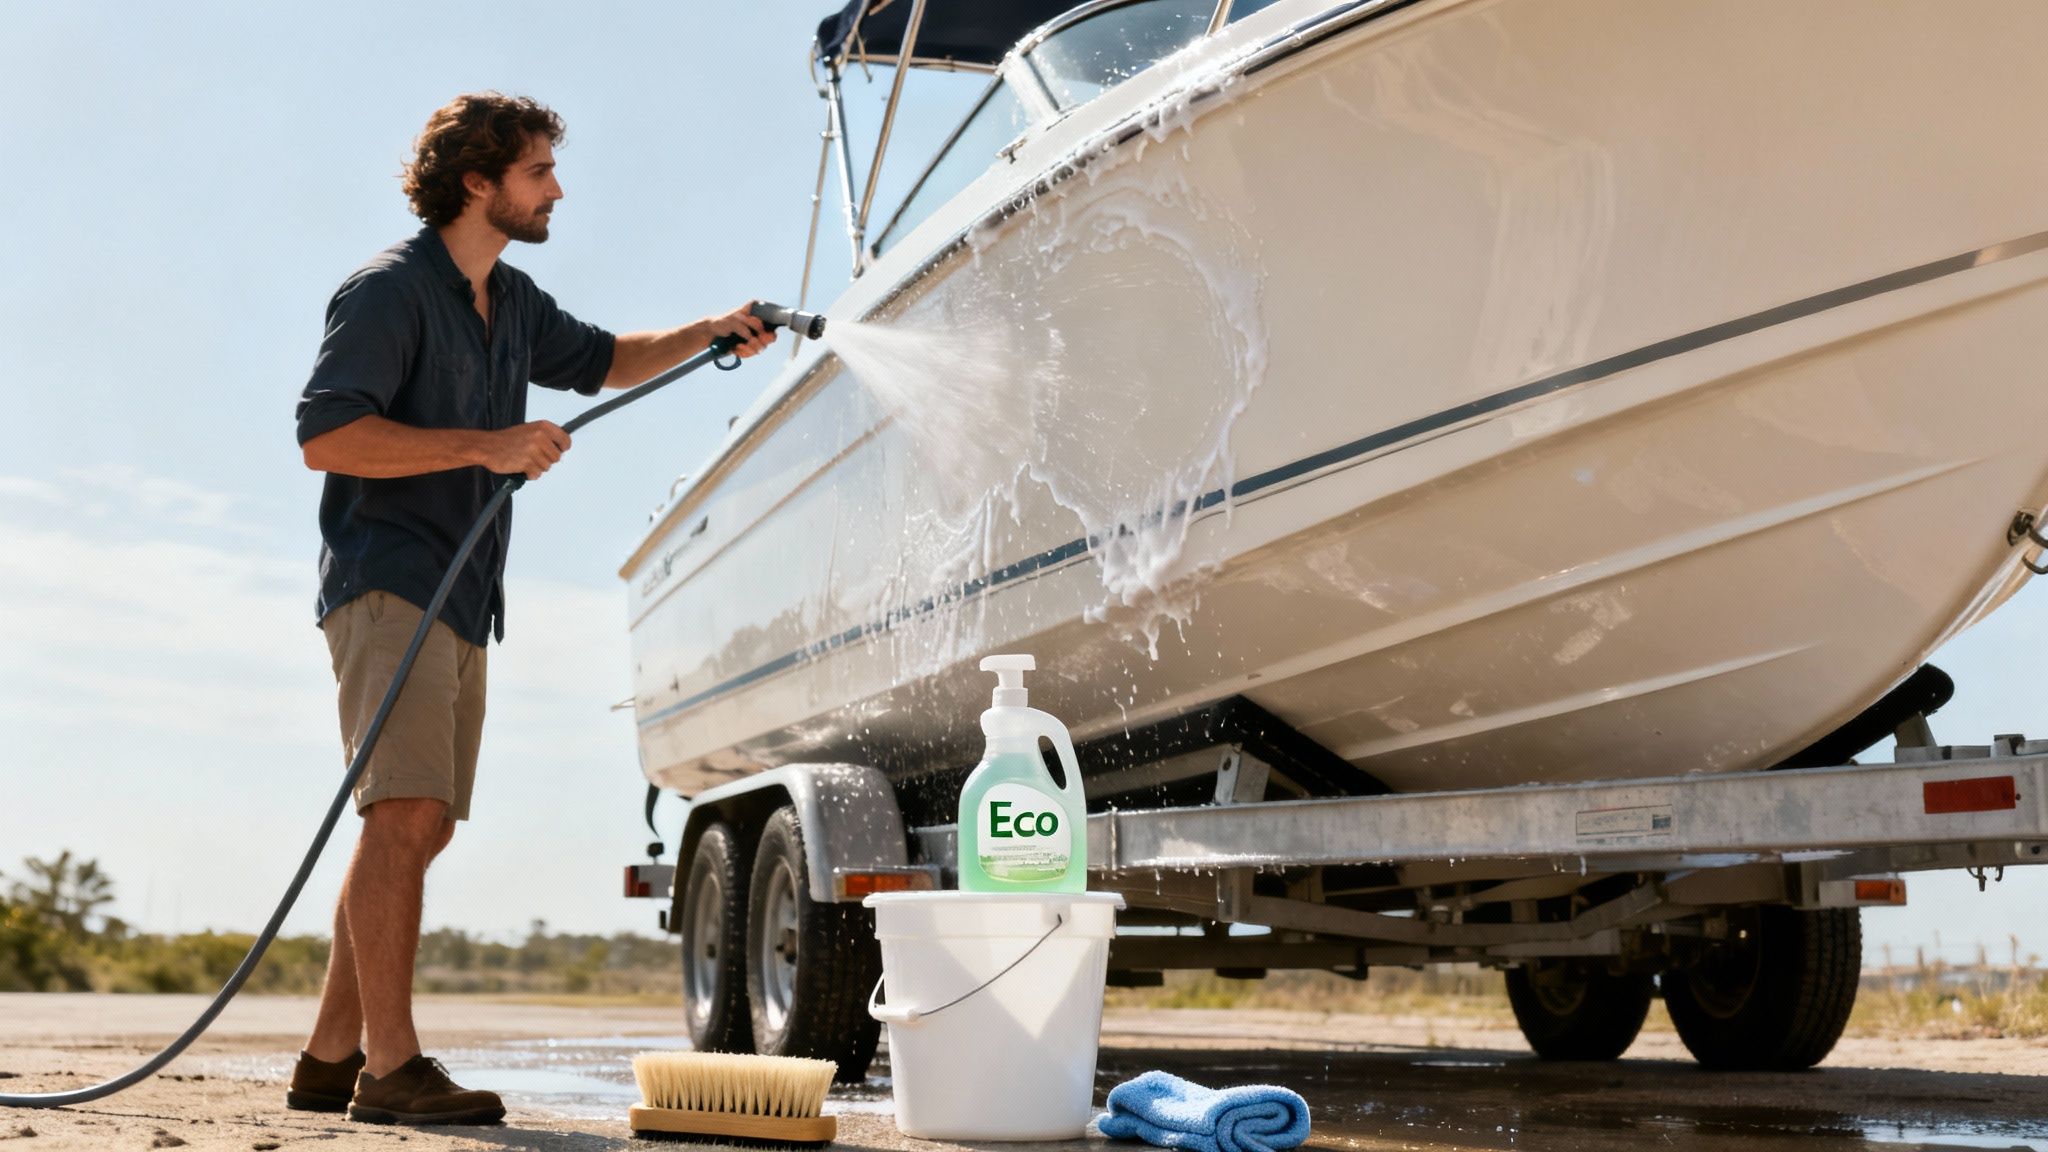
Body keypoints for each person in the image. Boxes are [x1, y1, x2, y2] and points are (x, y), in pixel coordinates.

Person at [288, 92, 772, 1126]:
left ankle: (331, 1055)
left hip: (464, 596)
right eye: (539, 171)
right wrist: (487, 445)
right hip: (389, 582)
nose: (557, 188)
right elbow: (328, 439)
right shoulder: (387, 293)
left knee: (416, 830)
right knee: (402, 816)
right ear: (478, 181)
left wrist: (709, 329)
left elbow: (609, 361)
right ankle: (393, 1069)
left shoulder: (510, 302)